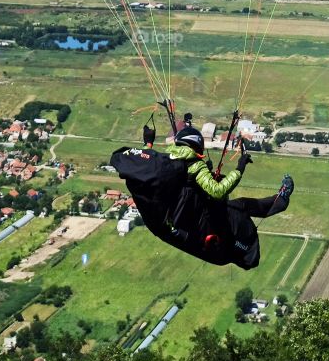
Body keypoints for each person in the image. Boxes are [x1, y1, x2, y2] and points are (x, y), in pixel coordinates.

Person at [110, 113, 294, 270]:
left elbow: (148, 164)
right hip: (204, 226)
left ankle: (280, 199)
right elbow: (218, 191)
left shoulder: (165, 161)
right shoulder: (194, 165)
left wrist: (148, 144)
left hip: (176, 228)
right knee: (241, 206)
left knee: (237, 206)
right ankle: (281, 199)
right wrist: (240, 168)